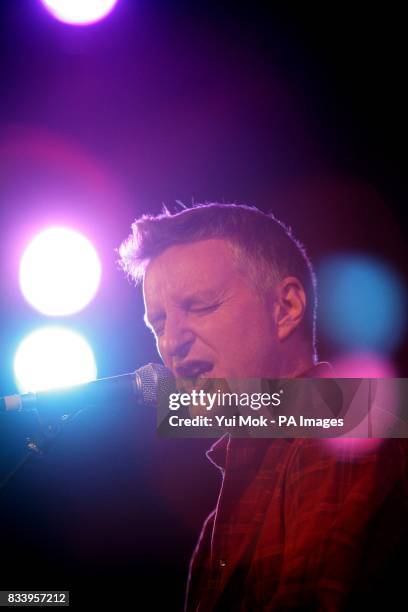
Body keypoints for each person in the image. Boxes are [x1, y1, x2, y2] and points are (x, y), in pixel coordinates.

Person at [119, 203, 408, 611]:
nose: (171, 343)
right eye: (159, 324)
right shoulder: (218, 523)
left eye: (200, 307)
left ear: (286, 308)